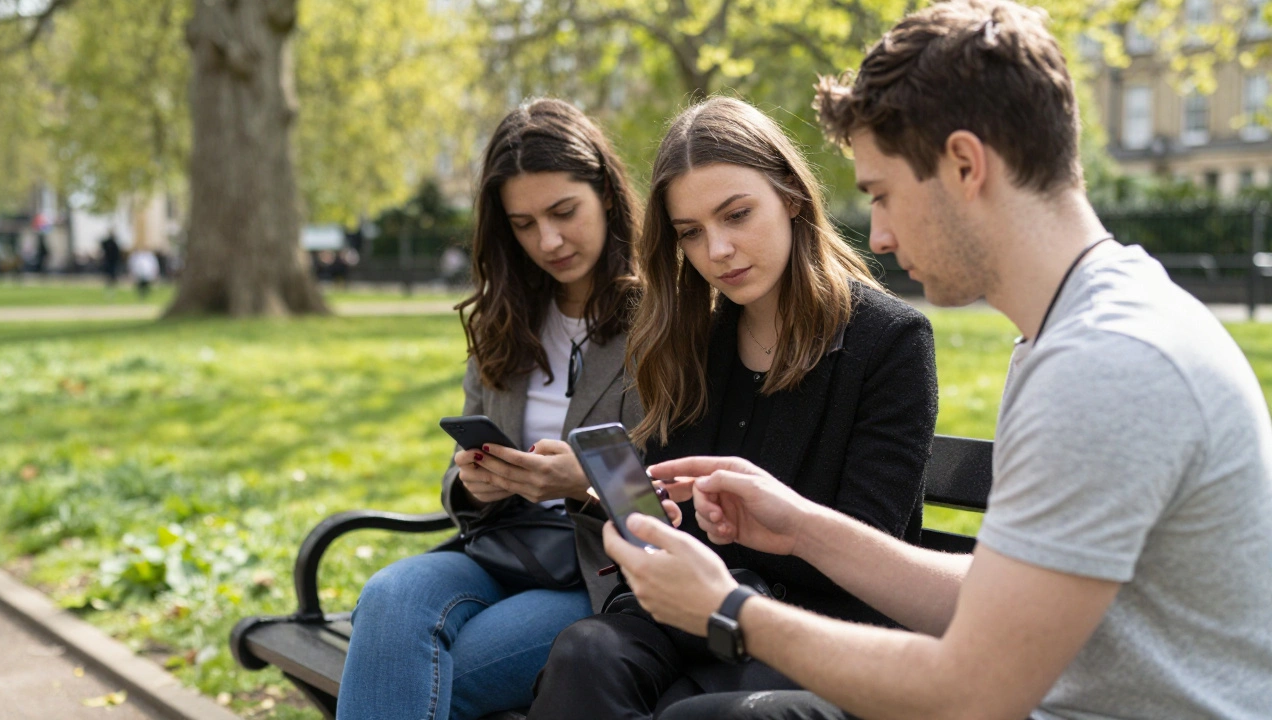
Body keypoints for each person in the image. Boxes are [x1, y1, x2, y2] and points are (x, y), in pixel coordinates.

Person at [597, 2, 1272, 719]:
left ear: (964, 165)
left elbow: (972, 691)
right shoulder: (1072, 333)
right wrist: (800, 524)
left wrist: (729, 609)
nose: (878, 237)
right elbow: (994, 598)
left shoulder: (1109, 363)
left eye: (883, 194)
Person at [527, 97, 939, 719]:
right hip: (690, 614)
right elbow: (669, 512)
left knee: (697, 709)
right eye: (691, 233)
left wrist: (733, 581)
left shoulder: (889, 342)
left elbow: (869, 547)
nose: (717, 250)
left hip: (816, 630)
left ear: (792, 197)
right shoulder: (692, 339)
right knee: (586, 651)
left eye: (737, 214)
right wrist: (641, 521)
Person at [337, 98, 646, 720]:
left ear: (607, 194)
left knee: (420, 677)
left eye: (564, 212)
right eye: (524, 224)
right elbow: (459, 472)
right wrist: (476, 481)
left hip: (601, 569)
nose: (548, 241)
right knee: (391, 594)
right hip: (501, 546)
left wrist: (582, 482)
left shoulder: (662, 321)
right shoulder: (504, 320)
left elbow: (680, 482)